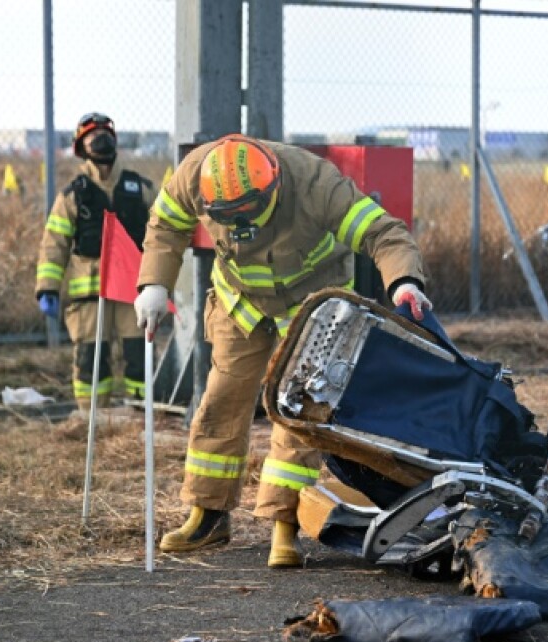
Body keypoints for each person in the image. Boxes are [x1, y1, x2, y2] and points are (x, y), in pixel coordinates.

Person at [134, 134, 431, 568]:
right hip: (240, 300)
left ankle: (284, 525)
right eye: (227, 218)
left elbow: (383, 233)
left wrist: (404, 281)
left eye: (247, 214)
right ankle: (208, 513)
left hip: (313, 304)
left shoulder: (315, 185)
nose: (239, 225)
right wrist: (154, 284)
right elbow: (165, 227)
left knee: (298, 408)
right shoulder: (194, 176)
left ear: (271, 189)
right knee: (221, 399)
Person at [35, 113, 154, 414]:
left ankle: (141, 415)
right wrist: (47, 287)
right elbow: (54, 243)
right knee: (91, 360)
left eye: (105, 135)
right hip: (89, 295)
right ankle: (91, 419)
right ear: (81, 147)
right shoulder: (73, 195)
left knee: (138, 356)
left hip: (132, 291)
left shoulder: (139, 188)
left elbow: (164, 231)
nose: (100, 142)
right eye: (92, 137)